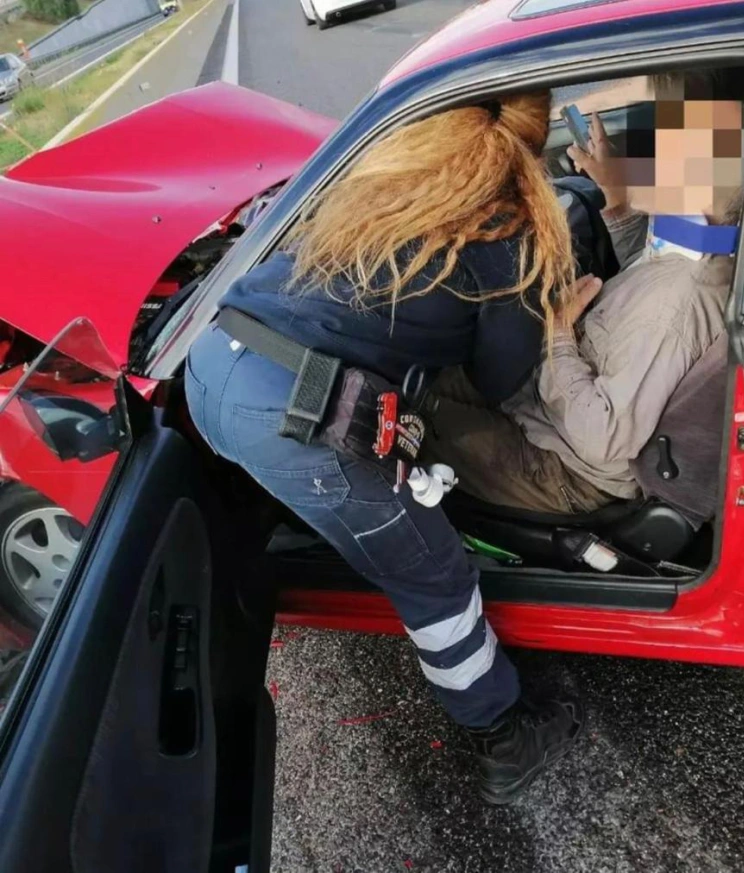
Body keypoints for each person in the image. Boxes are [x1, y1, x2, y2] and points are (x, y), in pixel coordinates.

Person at [184, 92, 615, 804]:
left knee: (314, 496)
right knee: (431, 571)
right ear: (531, 152)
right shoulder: (506, 232)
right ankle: (503, 733)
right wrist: (552, 320)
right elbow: (498, 378)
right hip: (294, 410)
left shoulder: (380, 180)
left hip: (211, 365)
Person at [425, 68, 744, 515]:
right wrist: (617, 199)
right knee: (435, 378)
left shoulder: (674, 307)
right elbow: (645, 270)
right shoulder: (693, 248)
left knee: (408, 420)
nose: (642, 156)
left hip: (562, 465)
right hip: (544, 408)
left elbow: (604, 437)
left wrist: (559, 336)